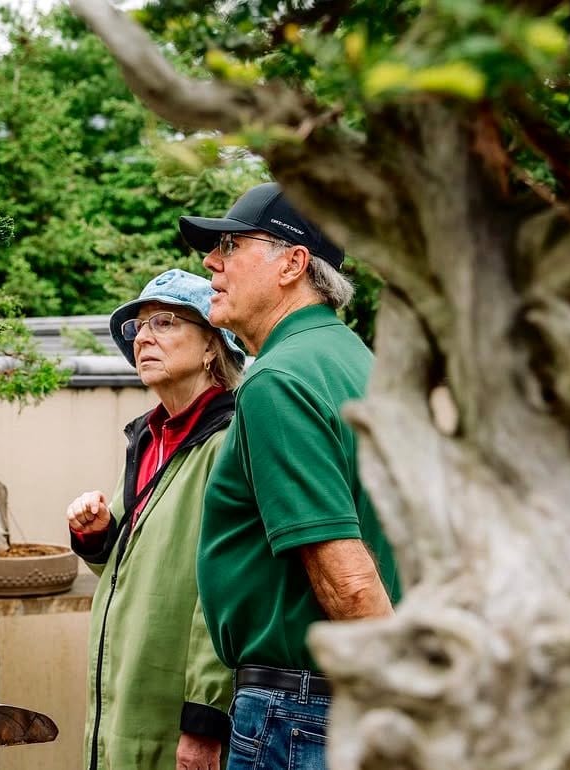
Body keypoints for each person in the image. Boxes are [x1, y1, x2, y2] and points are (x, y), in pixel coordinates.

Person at [181, 183, 402, 770]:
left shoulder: (278, 379)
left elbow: (348, 582)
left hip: (302, 710)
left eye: (230, 244)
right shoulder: (358, 362)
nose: (210, 262)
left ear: (293, 263)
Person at [66, 268, 246, 770]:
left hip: (179, 714)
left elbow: (228, 590)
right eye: (138, 327)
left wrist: (205, 720)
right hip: (122, 702)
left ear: (212, 346)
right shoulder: (151, 437)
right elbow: (134, 572)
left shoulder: (229, 441)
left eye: (164, 323)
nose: (143, 336)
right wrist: (97, 535)